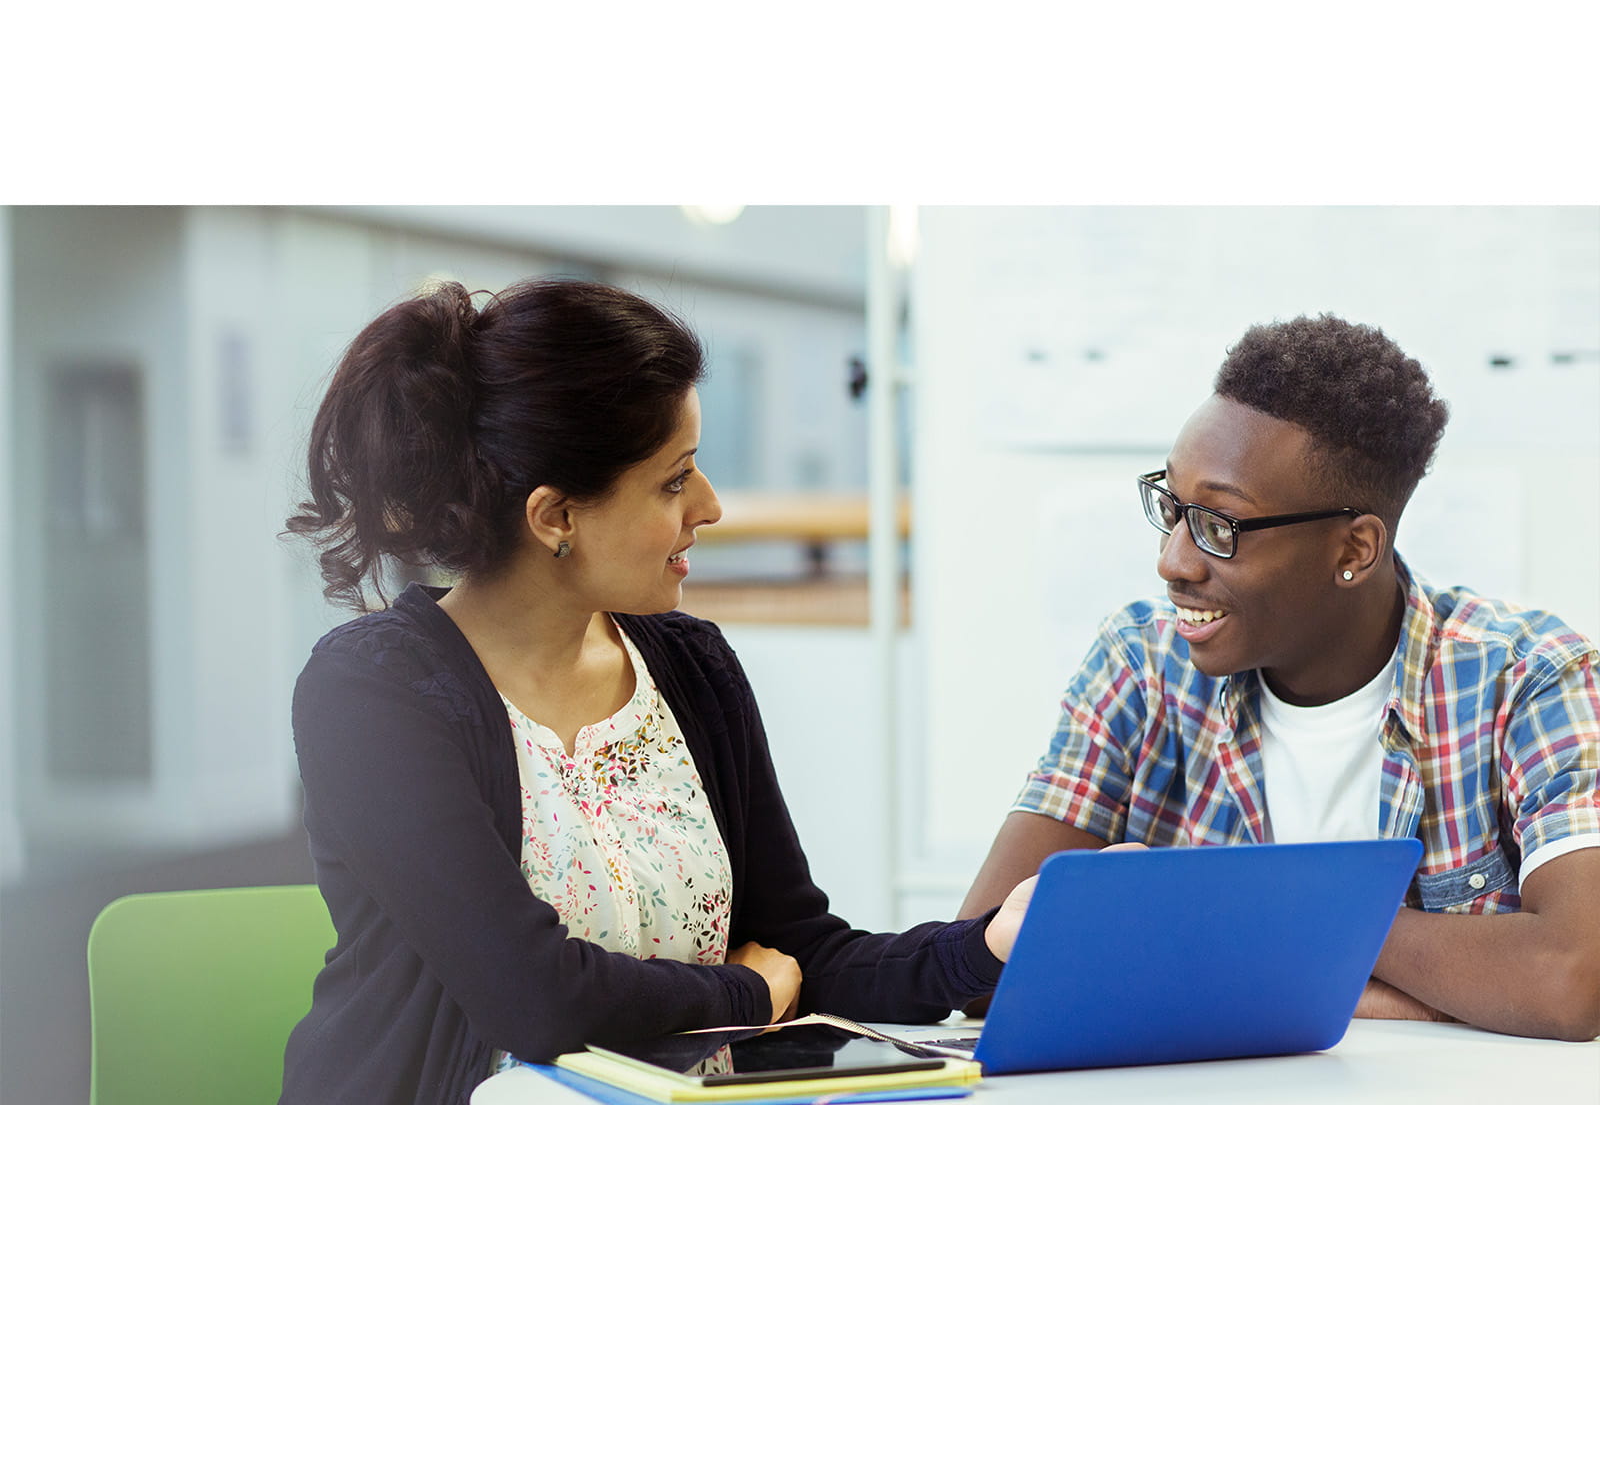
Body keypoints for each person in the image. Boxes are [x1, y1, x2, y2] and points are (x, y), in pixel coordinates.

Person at [281, 276, 1029, 1102]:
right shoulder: (373, 693)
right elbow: (535, 999)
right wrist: (746, 996)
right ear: (555, 516)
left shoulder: (693, 667)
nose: (709, 508)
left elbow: (798, 954)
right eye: (675, 481)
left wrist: (986, 944)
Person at [960, 314, 1600, 1041]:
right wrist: (1391, 987)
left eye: (1221, 526)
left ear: (1353, 549)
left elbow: (1571, 978)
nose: (1174, 562)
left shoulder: (1530, 679)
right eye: (1172, 507)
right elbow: (982, 960)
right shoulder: (1141, 663)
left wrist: (1264, 921)